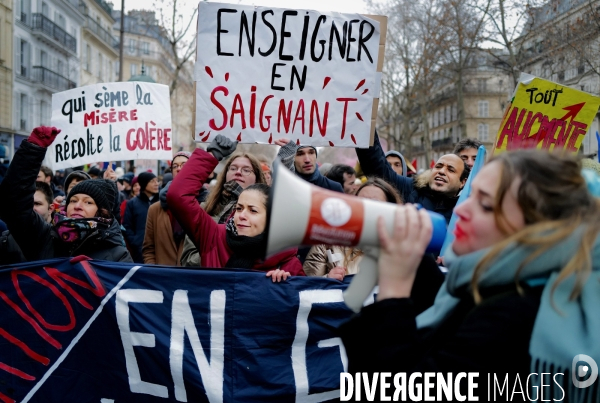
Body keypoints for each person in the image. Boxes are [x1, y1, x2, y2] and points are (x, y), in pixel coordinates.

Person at [339, 149, 600, 400]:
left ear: (535, 231)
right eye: (470, 195)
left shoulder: (514, 315)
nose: (462, 210)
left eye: (485, 205)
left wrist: (393, 293)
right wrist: (410, 256)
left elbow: (395, 389)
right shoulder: (480, 285)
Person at [168, 135, 304, 280]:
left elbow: (307, 297)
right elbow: (177, 195)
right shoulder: (214, 237)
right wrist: (212, 155)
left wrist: (287, 284)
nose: (241, 215)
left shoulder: (286, 261)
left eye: (253, 210)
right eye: (239, 208)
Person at [304, 177, 444, 314]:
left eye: (375, 206)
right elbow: (303, 290)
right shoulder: (328, 240)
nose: (367, 211)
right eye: (362, 204)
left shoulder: (404, 250)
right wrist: (327, 279)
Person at [0, 127, 132, 262]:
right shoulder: (44, 237)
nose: (78, 206)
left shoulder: (116, 255)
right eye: (73, 201)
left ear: (101, 212)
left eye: (88, 202)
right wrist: (33, 150)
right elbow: (13, 204)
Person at [356, 131, 469, 224]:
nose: (441, 171)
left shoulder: (466, 212)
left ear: (462, 182)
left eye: (451, 170)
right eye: (438, 166)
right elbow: (376, 165)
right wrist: (365, 120)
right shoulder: (409, 188)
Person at [179, 149, 266, 267]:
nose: (238, 172)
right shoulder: (205, 209)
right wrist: (215, 253)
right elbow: (188, 259)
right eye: (233, 168)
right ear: (225, 174)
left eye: (246, 170)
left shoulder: (269, 211)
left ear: (257, 178)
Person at [142, 152, 192, 265]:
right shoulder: (155, 209)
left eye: (184, 165)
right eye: (175, 166)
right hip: (162, 278)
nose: (179, 169)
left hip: (192, 278)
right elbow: (149, 249)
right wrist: (153, 271)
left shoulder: (205, 205)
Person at [274, 138, 343, 192]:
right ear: (293, 159)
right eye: (300, 154)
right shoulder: (284, 188)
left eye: (311, 153)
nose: (307, 160)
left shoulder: (334, 188)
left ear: (316, 155)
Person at [123, 172, 159, 263]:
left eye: (157, 181)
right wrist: (135, 241)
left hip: (160, 248)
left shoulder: (161, 202)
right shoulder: (132, 203)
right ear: (144, 184)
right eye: (152, 181)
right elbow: (127, 226)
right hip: (140, 251)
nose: (156, 184)